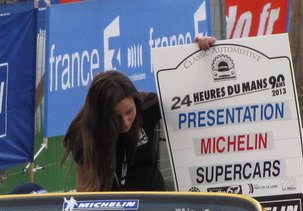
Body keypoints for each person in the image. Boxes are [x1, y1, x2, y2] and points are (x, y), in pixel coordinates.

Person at [64, 35, 218, 193]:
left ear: (136, 102)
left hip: (152, 202)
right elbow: (84, 188)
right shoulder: (84, 131)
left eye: (129, 112)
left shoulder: (148, 106)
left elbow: (194, 91)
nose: (125, 122)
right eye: (116, 118)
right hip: (110, 207)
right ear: (101, 116)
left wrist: (202, 51)